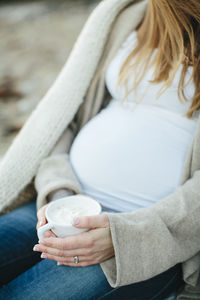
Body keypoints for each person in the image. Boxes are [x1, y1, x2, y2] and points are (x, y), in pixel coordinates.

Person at [0, 0, 200, 299]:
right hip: (60, 205)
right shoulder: (128, 15)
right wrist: (59, 193)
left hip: (146, 241)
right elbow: (63, 115)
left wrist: (129, 237)